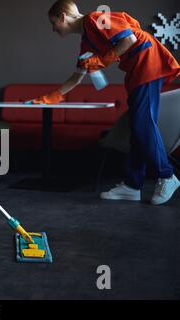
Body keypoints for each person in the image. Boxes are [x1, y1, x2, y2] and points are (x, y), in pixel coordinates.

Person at [29, 0, 180, 205]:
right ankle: (132, 186)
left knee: (142, 124)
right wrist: (50, 97)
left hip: (147, 61)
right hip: (136, 70)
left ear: (63, 17)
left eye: (54, 22)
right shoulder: (87, 43)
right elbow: (78, 75)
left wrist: (102, 60)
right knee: (137, 128)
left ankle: (167, 176)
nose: (53, 28)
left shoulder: (96, 18)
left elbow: (129, 38)